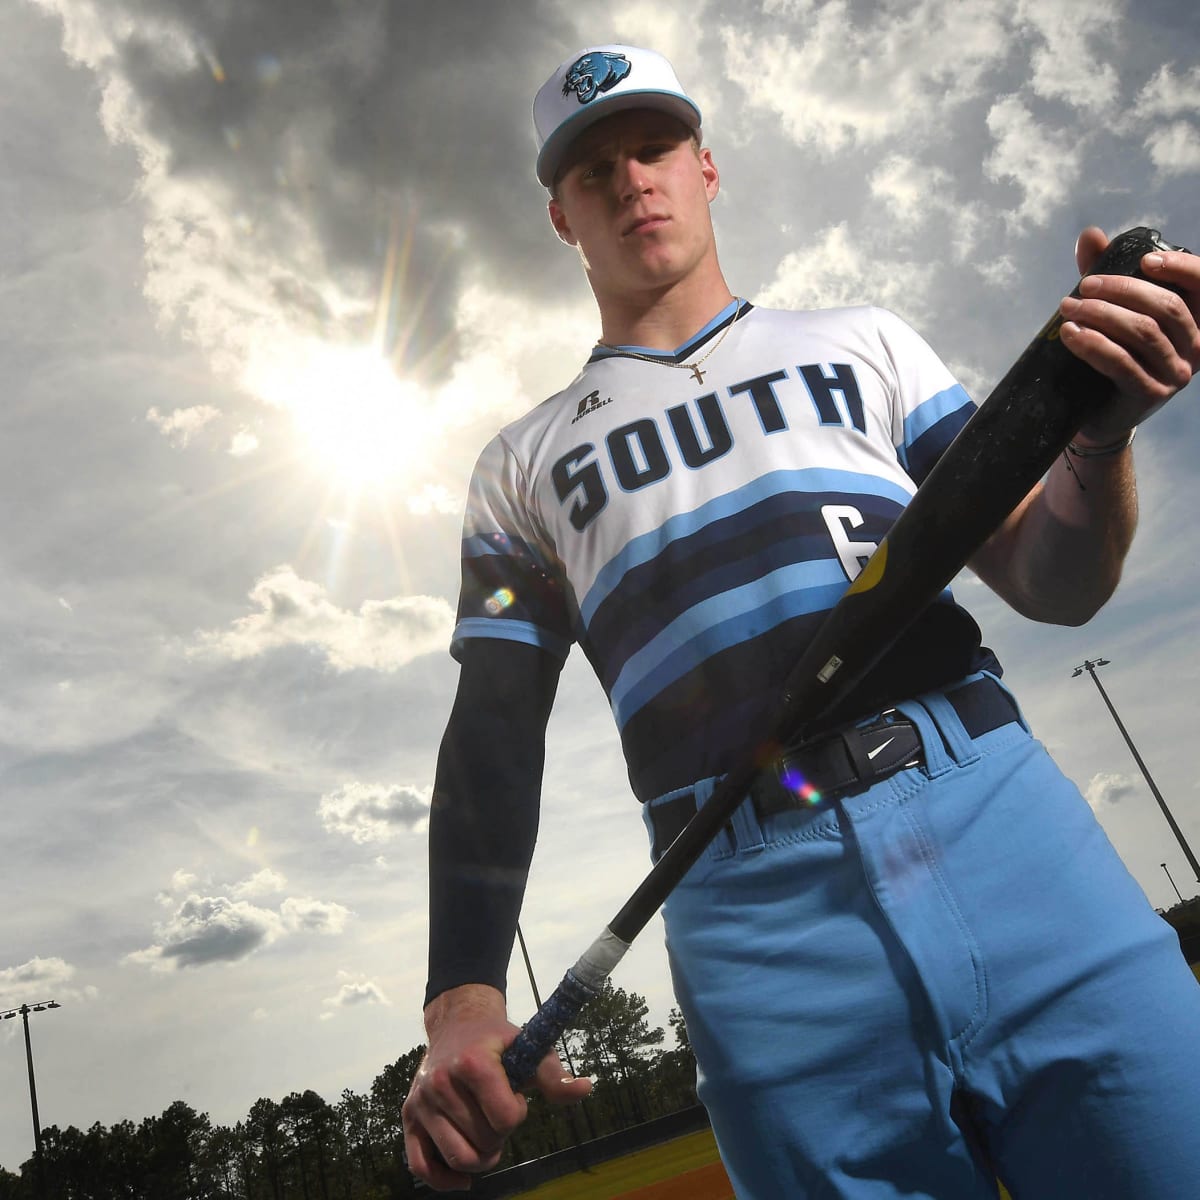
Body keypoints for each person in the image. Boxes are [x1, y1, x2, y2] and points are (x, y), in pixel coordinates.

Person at [402, 43, 1200, 1198]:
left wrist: (1098, 432)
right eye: (594, 168)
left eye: (655, 145)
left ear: (707, 167)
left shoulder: (864, 342)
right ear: (561, 217)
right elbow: (492, 727)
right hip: (755, 926)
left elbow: (1052, 580)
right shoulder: (521, 467)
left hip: (1002, 829)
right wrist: (462, 996)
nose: (633, 179)